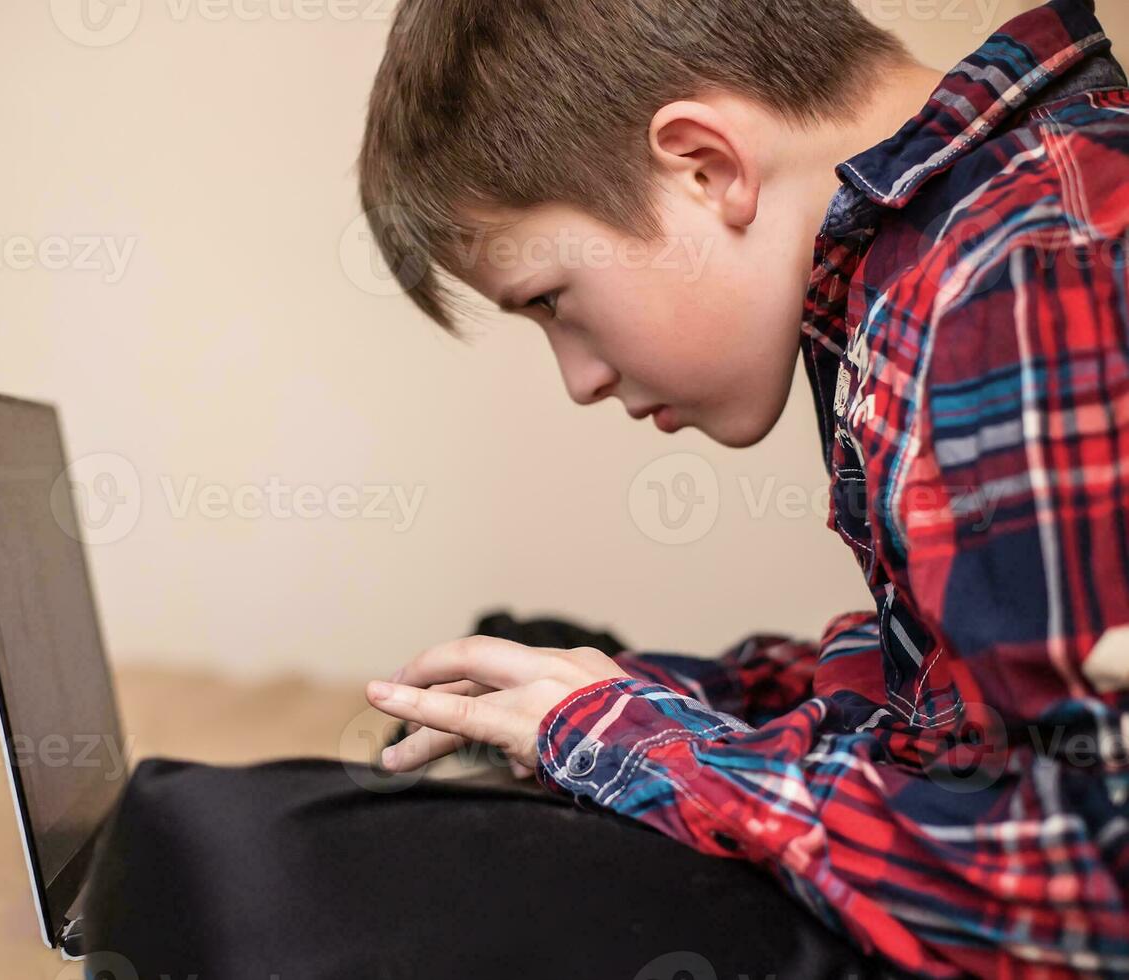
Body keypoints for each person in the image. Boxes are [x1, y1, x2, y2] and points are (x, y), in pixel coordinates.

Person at [355, 0, 1129, 977]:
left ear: (703, 166)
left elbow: (1089, 885)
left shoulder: (1021, 279)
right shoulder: (935, 264)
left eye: (551, 298)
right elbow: (949, 698)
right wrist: (663, 696)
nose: (578, 379)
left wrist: (632, 744)